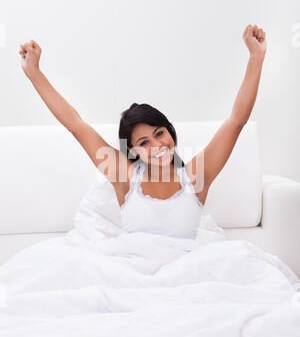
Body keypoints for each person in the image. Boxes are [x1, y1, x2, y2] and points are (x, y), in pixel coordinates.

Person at [19, 24, 266, 239]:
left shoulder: (195, 177)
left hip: (188, 273)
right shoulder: (125, 176)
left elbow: (237, 120)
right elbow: (75, 124)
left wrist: (256, 56)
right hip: (134, 273)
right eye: (144, 142)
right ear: (133, 150)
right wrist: (34, 72)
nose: (157, 146)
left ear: (170, 131)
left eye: (159, 134)